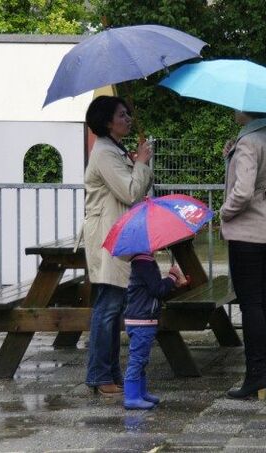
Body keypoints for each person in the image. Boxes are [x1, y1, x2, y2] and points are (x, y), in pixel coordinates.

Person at [83, 96, 154, 396]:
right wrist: (141, 163)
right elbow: (129, 191)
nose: (128, 119)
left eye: (127, 113)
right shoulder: (105, 153)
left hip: (116, 234)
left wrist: (138, 162)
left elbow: (136, 190)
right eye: (122, 115)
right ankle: (100, 375)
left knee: (112, 306)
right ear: (107, 121)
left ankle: (109, 373)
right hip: (107, 237)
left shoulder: (114, 149)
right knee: (108, 307)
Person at [220, 110, 266, 400]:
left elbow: (243, 191)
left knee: (251, 306)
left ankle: (255, 376)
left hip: (248, 233)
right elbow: (259, 180)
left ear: (248, 110)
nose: (234, 110)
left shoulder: (248, 142)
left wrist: (224, 212)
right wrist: (230, 159)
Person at [123, 254, 187, 410]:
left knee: (142, 359)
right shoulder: (144, 263)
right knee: (137, 359)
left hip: (142, 319)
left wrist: (170, 281)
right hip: (141, 320)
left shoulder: (144, 262)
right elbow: (157, 289)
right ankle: (131, 396)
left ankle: (141, 392)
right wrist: (172, 277)